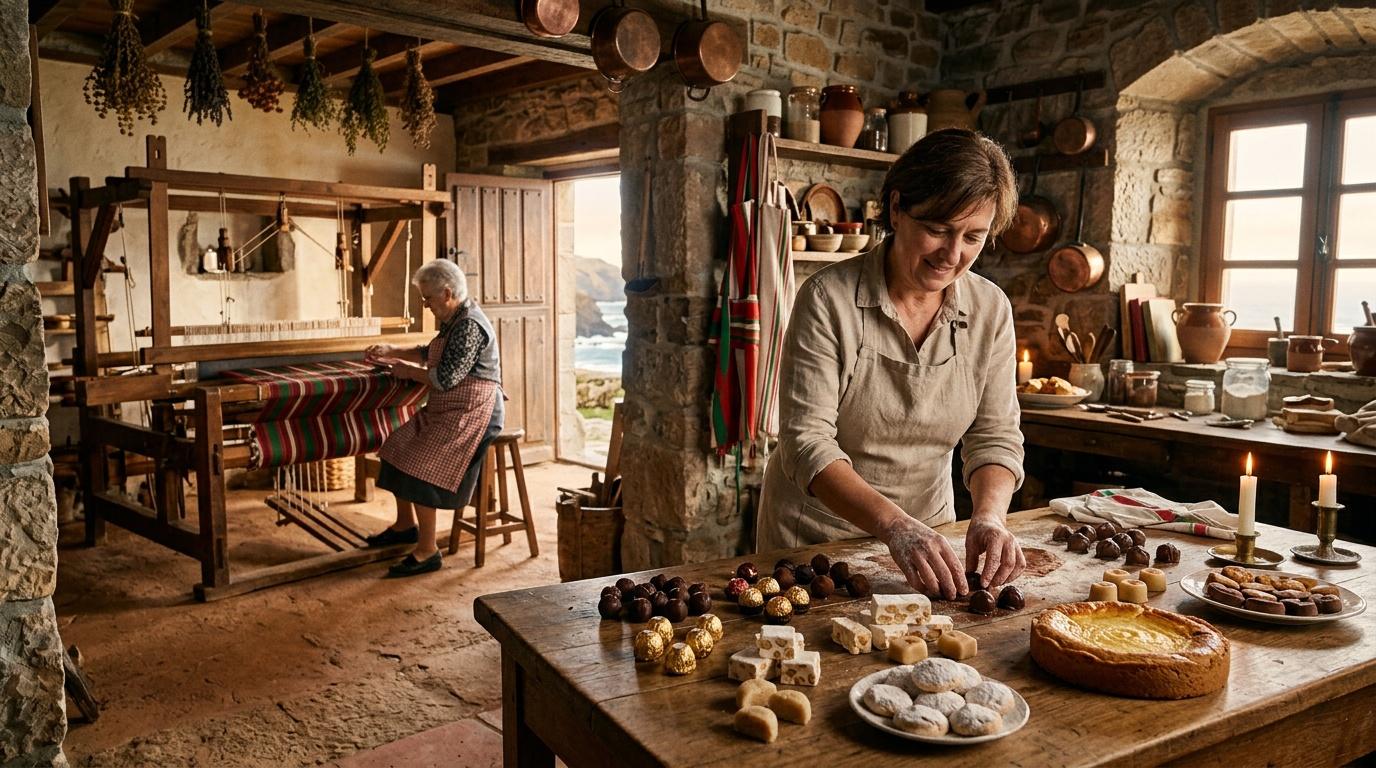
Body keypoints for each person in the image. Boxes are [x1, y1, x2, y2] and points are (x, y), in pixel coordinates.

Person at [756, 129, 1026, 600]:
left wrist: (988, 516)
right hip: (818, 546)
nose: (952, 254)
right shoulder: (827, 299)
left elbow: (995, 436)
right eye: (938, 229)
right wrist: (895, 526)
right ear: (897, 208)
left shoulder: (991, 310)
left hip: (931, 540)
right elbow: (806, 443)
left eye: (973, 237)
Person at [363, 259, 503, 577]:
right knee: (396, 446)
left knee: (419, 465)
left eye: (428, 298)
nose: (425, 305)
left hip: (475, 411)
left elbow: (445, 378)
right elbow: (432, 353)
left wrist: (406, 370)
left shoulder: (469, 325)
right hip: (450, 407)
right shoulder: (454, 318)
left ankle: (427, 552)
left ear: (448, 292)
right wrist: (392, 350)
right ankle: (404, 527)